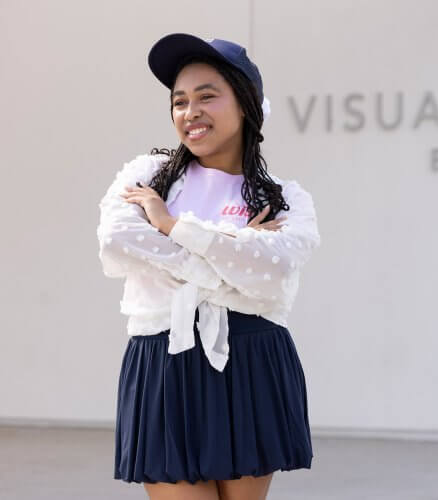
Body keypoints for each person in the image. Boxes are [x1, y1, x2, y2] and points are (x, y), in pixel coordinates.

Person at [96, 33, 321, 500]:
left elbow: (274, 275)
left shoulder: (283, 197)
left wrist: (174, 227)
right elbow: (118, 242)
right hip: (164, 360)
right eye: (179, 101)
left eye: (206, 96)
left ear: (246, 106)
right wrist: (233, 255)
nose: (189, 111)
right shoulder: (147, 174)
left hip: (251, 358)